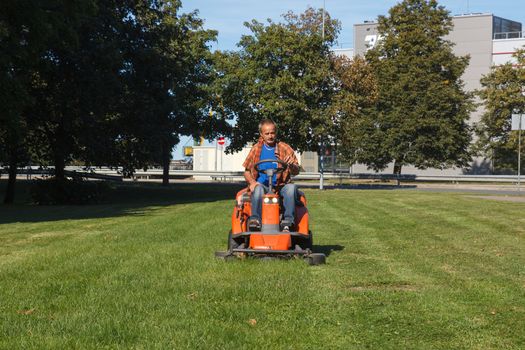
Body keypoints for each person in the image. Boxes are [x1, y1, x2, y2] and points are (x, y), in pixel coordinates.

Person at [242, 119, 300, 232]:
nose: (270, 136)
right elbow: (247, 171)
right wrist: (253, 183)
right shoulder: (256, 149)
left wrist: (292, 166)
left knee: (291, 188)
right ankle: (255, 220)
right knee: (257, 189)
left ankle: (288, 221)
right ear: (261, 134)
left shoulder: (285, 148)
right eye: (267, 133)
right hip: (262, 185)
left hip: (281, 185)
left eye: (272, 133)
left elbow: (296, 171)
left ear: (276, 132)